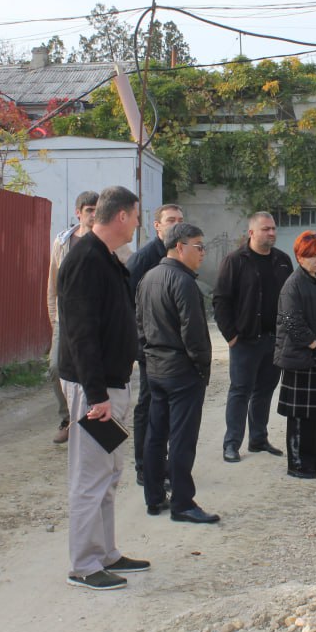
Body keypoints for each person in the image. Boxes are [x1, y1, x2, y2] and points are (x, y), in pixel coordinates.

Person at [56, 185, 149, 590]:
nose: (138, 222)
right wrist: (95, 397)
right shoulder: (84, 260)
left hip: (110, 384)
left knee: (109, 472)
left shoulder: (105, 257)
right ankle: (84, 565)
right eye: (136, 215)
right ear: (122, 217)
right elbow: (80, 334)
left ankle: (106, 552)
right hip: (92, 390)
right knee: (90, 476)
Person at [136, 222, 220, 524]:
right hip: (181, 370)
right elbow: (195, 335)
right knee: (182, 439)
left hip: (157, 368)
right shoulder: (183, 282)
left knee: (156, 435)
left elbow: (140, 326)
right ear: (179, 247)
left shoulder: (149, 277)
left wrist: (148, 355)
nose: (203, 253)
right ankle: (183, 502)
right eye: (198, 246)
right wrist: (201, 368)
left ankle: (154, 496)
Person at [213, 212, 293, 463]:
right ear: (251, 233)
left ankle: (258, 439)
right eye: (265, 229)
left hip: (274, 339)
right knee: (240, 391)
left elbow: (290, 299)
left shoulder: (282, 261)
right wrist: (231, 336)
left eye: (273, 228)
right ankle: (231, 444)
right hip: (245, 341)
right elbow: (221, 300)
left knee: (265, 390)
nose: (271, 233)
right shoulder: (235, 260)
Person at [274, 231, 316, 479]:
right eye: (310, 256)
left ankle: (315, 455)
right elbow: (292, 322)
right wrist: (314, 344)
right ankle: (297, 462)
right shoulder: (293, 284)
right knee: (301, 413)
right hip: (303, 357)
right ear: (299, 257)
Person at [126, 204, 185, 482]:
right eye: (170, 220)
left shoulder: (182, 254)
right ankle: (144, 467)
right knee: (148, 406)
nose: (176, 224)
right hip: (150, 349)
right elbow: (128, 307)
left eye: (180, 220)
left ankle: (165, 466)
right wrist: (141, 345)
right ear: (157, 226)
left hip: (174, 349)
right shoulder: (142, 260)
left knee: (170, 410)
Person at [46, 191, 97, 444]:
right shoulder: (63, 242)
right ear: (78, 212)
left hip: (94, 321)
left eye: (97, 209)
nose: (94, 214)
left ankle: (93, 423)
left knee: (90, 371)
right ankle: (67, 417)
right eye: (89, 210)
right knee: (56, 367)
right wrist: (55, 318)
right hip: (65, 321)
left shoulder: (105, 241)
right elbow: (52, 284)